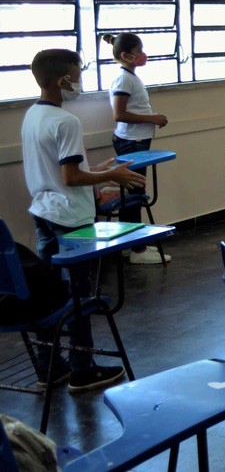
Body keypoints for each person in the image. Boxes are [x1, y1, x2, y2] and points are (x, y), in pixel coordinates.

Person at [20, 48, 145, 392]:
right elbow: (72, 178)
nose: (80, 82)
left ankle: (50, 368)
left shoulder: (33, 115)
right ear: (63, 80)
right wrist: (115, 179)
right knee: (78, 298)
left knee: (47, 295)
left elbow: (61, 172)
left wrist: (102, 171)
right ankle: (82, 369)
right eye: (77, 75)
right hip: (71, 219)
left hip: (44, 213)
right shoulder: (66, 121)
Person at [104, 32, 170, 265]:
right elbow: (119, 114)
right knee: (134, 196)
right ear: (126, 55)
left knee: (132, 194)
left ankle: (129, 244)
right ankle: (137, 249)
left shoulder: (130, 77)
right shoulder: (123, 80)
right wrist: (152, 119)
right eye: (139, 51)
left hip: (135, 141)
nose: (143, 55)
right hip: (130, 142)